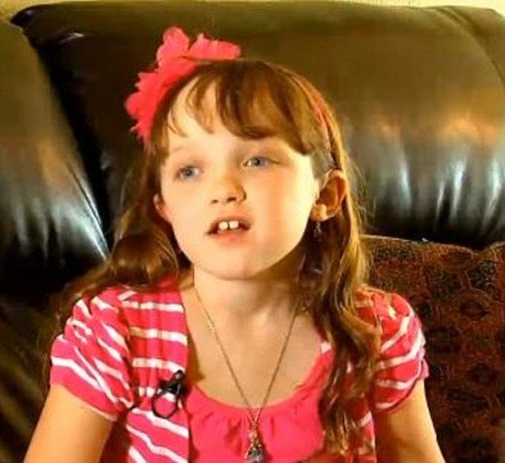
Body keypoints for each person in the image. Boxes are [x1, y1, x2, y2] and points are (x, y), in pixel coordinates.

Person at [24, 27, 445, 463]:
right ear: (164, 207)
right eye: (189, 170)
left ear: (324, 196)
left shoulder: (379, 331)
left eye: (257, 160)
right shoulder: (117, 331)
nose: (223, 188)